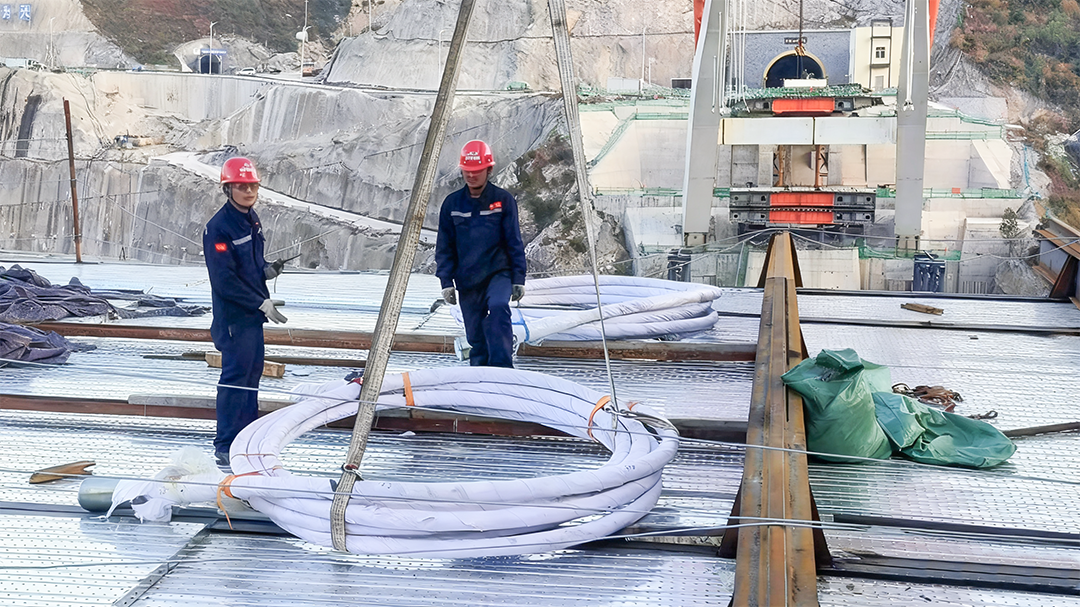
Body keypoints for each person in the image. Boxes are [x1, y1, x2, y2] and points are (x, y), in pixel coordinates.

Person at [203, 157, 288, 466]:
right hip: (233, 320)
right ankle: (226, 444)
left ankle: (247, 438)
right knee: (235, 378)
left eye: (252, 186)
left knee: (251, 375)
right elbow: (224, 281)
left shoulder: (251, 219)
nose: (249, 191)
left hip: (251, 318)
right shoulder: (218, 228)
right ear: (228, 189)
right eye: (241, 186)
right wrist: (259, 302)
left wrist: (266, 270)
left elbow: (249, 264)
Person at [435, 140, 527, 368]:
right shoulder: (452, 204)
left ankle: (502, 368)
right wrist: (446, 282)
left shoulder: (503, 201)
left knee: (498, 308)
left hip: (498, 273)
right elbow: (444, 246)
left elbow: (514, 241)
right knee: (475, 334)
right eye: (467, 170)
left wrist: (518, 278)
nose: (471, 175)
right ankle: (479, 371)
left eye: (476, 171)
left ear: (489, 170)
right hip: (467, 279)